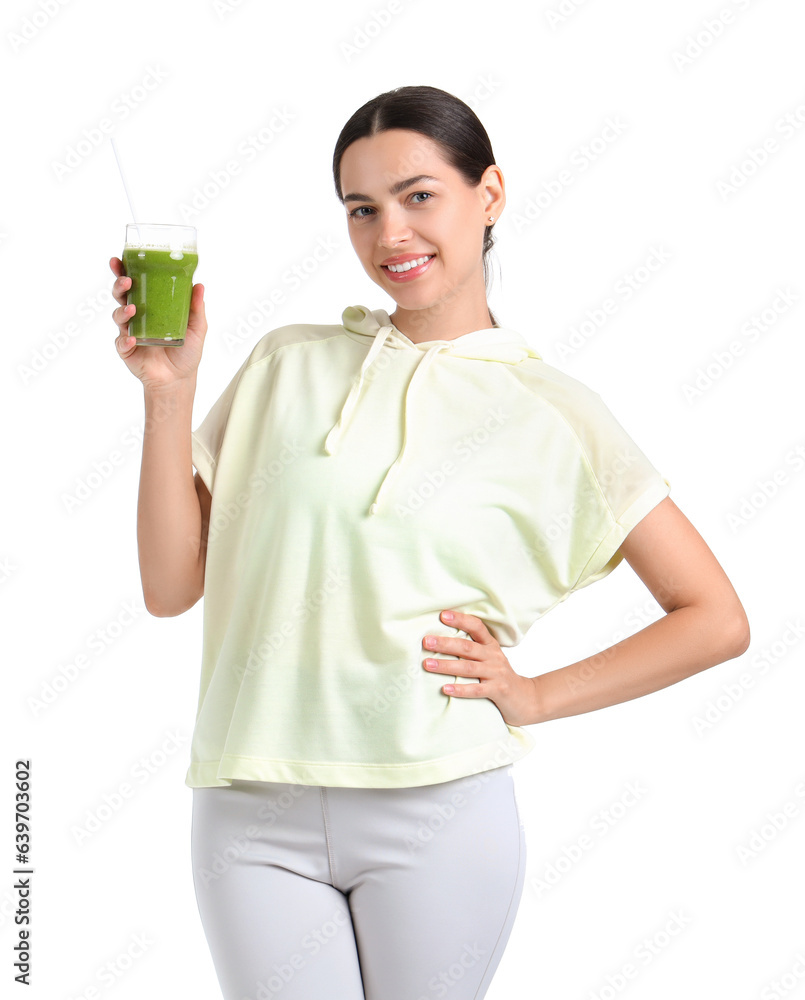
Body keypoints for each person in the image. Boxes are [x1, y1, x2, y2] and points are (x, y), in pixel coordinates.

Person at [109, 85, 750, 1000]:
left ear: (488, 194)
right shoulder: (285, 364)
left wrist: (532, 696)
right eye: (362, 210)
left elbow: (716, 618)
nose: (390, 236)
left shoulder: (554, 413)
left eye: (419, 197)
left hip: (438, 813)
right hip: (251, 806)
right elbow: (171, 586)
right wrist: (166, 393)